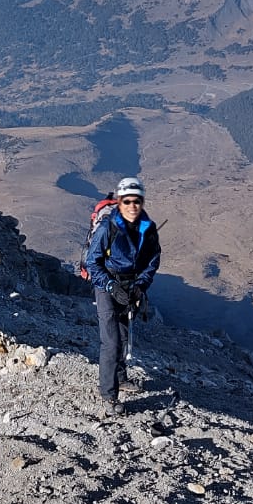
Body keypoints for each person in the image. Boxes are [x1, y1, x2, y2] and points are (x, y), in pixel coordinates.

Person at [84, 175, 161, 415]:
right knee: (111, 342)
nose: (132, 206)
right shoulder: (108, 227)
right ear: (119, 201)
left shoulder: (147, 228)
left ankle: (121, 377)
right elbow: (92, 262)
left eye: (136, 201)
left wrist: (140, 286)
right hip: (107, 284)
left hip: (131, 286)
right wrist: (109, 286)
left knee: (124, 335)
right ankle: (109, 396)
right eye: (126, 201)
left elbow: (153, 260)